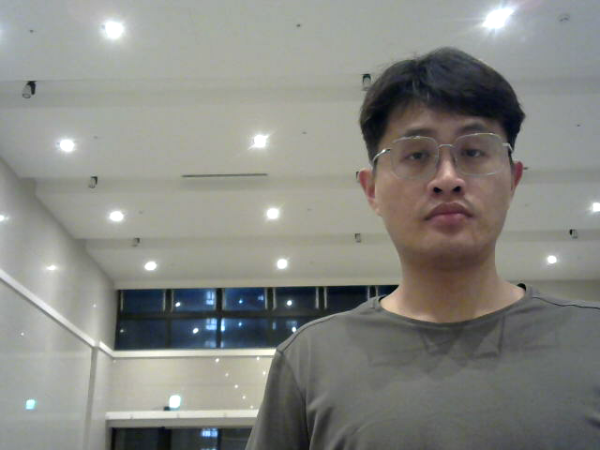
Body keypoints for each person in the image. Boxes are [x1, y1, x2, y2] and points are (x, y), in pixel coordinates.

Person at [246, 47, 600, 449]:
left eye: (473, 152)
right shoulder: (311, 361)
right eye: (417, 155)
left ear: (513, 180)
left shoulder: (592, 340)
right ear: (371, 189)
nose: (447, 179)